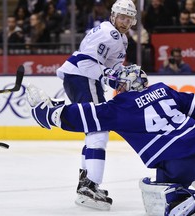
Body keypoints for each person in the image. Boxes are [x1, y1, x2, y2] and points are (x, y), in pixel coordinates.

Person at [26, 67, 195, 216]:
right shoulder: (164, 90)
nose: (117, 89)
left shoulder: (120, 107)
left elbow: (85, 116)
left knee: (153, 190)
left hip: (176, 162)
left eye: (119, 85)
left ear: (127, 86)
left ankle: (180, 197)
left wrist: (49, 115)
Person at [54, 0, 138, 210]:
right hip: (82, 76)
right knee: (98, 130)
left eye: (128, 18)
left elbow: (113, 66)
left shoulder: (121, 38)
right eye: (122, 17)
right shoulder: (108, 33)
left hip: (83, 78)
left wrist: (124, 77)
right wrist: (113, 80)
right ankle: (89, 186)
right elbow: (88, 61)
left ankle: (86, 182)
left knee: (95, 131)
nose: (125, 21)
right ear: (113, 16)